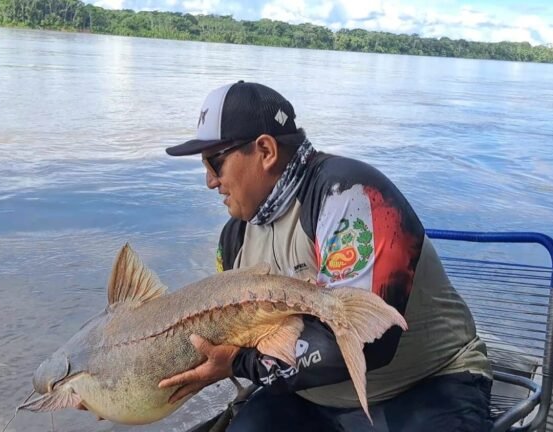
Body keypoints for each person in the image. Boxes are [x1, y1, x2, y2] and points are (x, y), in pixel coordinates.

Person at [158, 81, 493, 431]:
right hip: (311, 398)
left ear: (266, 150)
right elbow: (219, 339)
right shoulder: (233, 239)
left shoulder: (348, 194)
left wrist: (240, 364)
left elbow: (369, 341)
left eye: (215, 162)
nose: (210, 181)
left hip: (427, 384)